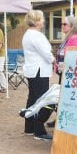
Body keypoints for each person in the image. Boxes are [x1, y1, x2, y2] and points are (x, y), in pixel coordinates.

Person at [22, 10, 55, 141]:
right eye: (41, 19)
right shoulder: (36, 35)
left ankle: (29, 127)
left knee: (32, 99)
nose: (43, 21)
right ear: (36, 21)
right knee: (42, 100)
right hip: (39, 71)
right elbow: (46, 53)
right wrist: (54, 60)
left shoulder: (28, 34)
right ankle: (39, 131)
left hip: (33, 70)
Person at [47, 16, 77, 128]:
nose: (62, 26)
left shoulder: (74, 38)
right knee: (62, 96)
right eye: (62, 24)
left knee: (66, 97)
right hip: (64, 73)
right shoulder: (67, 38)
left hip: (70, 74)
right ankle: (58, 118)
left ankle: (63, 120)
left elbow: (75, 57)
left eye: (64, 24)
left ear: (72, 26)